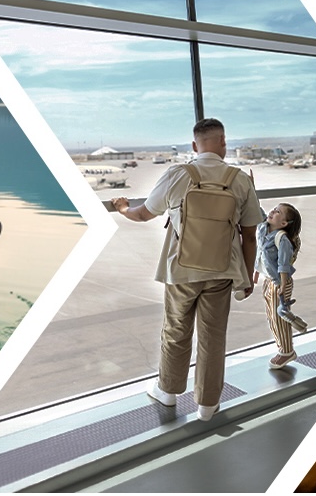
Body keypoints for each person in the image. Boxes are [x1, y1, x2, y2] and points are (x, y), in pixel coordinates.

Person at [111, 118, 262, 421]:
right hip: (222, 271)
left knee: (176, 330)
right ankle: (207, 405)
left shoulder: (178, 174)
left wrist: (123, 208)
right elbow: (249, 236)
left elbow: (143, 214)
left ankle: (167, 392)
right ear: (223, 143)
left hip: (181, 270)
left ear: (195, 146)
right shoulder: (240, 179)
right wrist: (246, 277)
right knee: (213, 337)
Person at [257, 203, 310, 369]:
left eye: (278, 212)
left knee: (279, 318)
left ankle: (287, 352)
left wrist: (282, 284)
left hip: (280, 282)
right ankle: (282, 348)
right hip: (269, 280)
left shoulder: (282, 239)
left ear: (284, 224)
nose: (272, 211)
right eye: (274, 208)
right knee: (272, 317)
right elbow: (257, 211)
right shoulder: (264, 229)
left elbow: (283, 264)